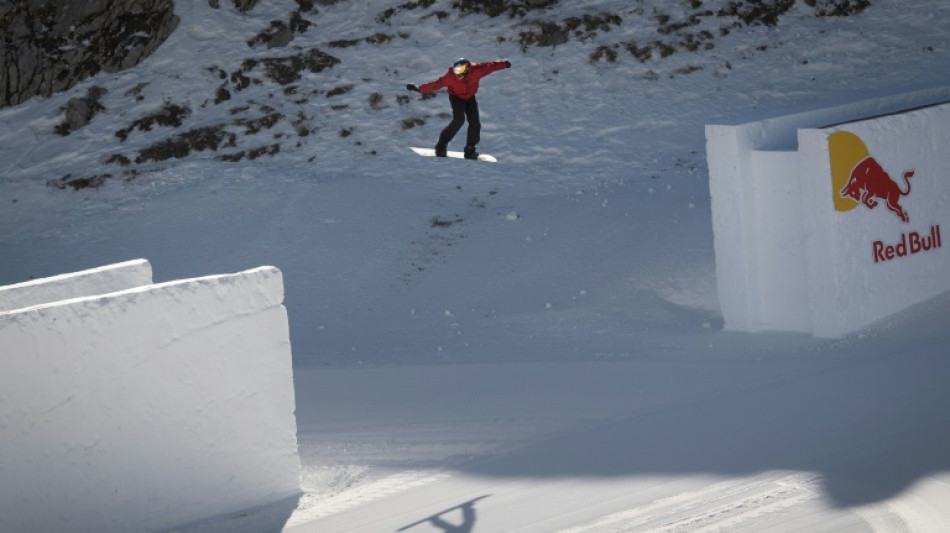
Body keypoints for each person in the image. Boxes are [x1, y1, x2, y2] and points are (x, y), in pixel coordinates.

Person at [407, 58, 511, 159]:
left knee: (475, 123)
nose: (458, 75)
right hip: (456, 97)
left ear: (467, 70)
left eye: (460, 74)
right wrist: (419, 89)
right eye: (456, 72)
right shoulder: (450, 76)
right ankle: (441, 146)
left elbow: (490, 66)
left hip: (470, 97)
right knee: (459, 120)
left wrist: (504, 63)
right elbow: (436, 84)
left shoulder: (477, 70)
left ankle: (470, 149)